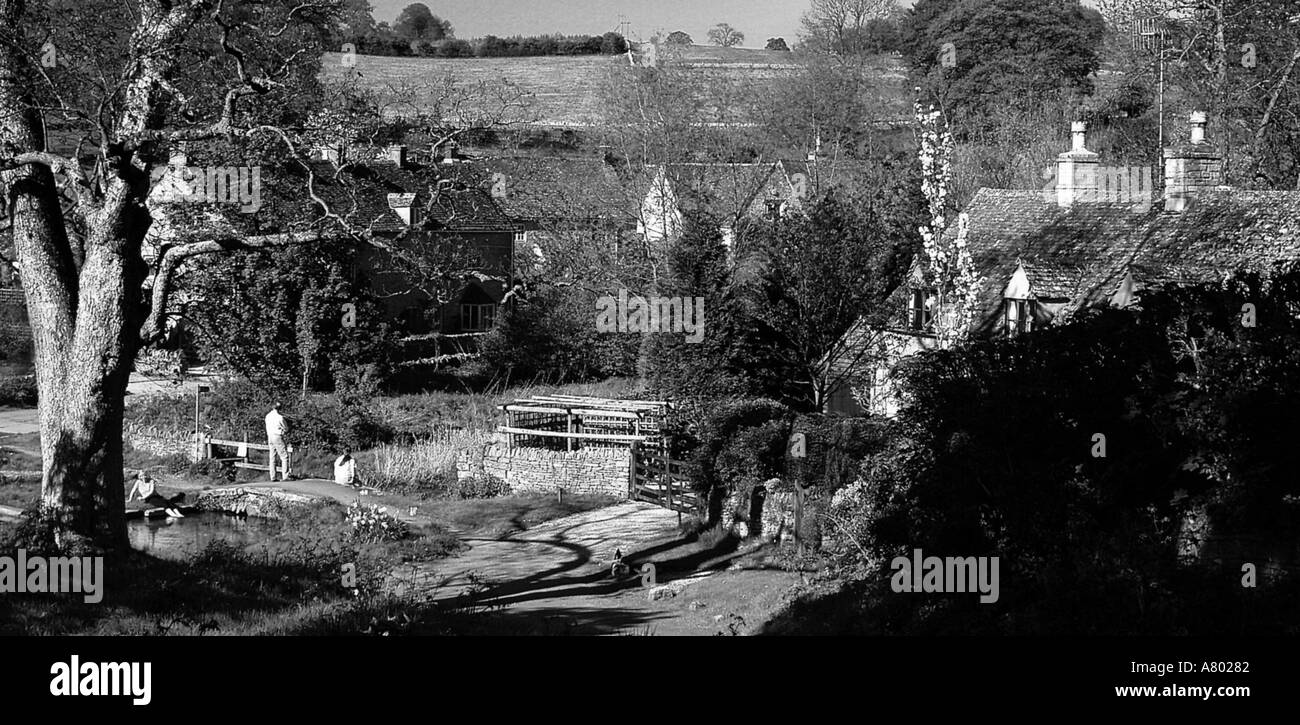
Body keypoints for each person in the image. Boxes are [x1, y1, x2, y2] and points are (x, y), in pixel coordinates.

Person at [265, 401, 290, 482]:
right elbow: (286, 428)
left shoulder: (267, 416)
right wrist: (283, 430)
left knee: (272, 457)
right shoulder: (280, 417)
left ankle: (273, 477)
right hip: (277, 436)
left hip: (270, 436)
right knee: (284, 456)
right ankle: (285, 476)